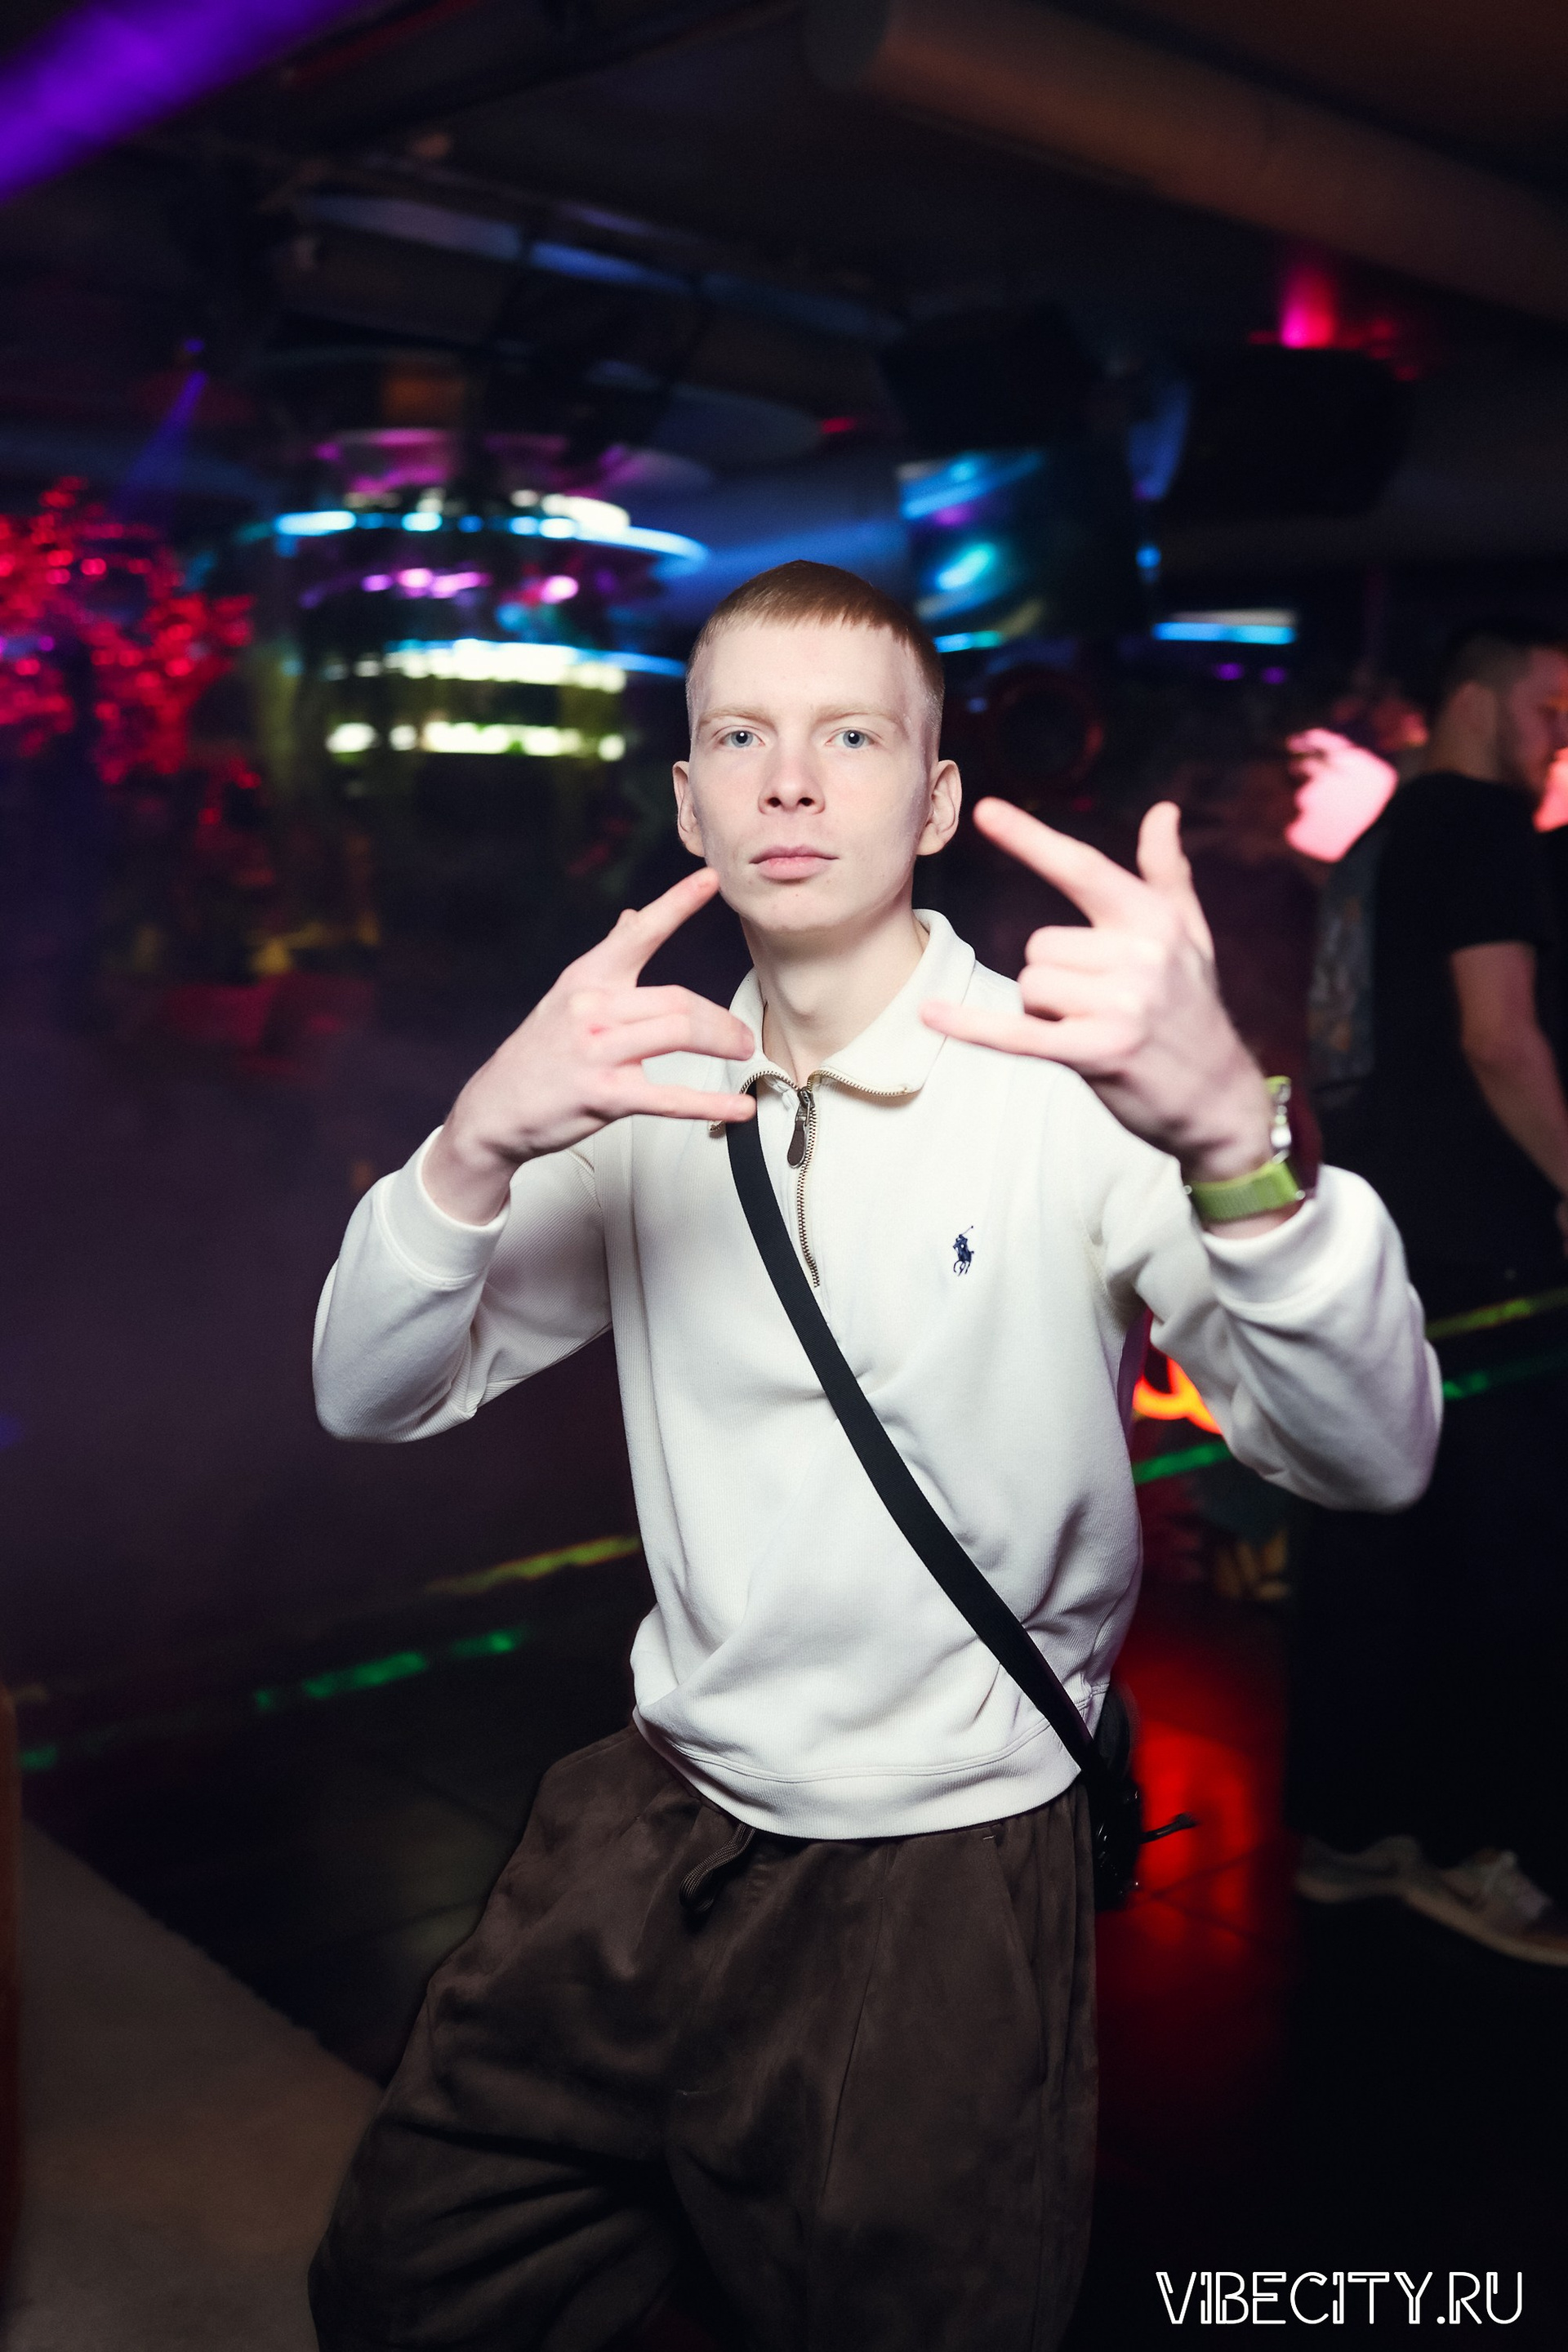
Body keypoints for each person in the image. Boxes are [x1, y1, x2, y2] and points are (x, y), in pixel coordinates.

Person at [308, 562, 1437, 2352]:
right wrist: (468, 1150)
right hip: (657, 1807)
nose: (789, 780)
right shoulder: (650, 1086)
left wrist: (1235, 1134)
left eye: (850, 738)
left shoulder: (1066, 1086)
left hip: (947, 1845)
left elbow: (1369, 1456)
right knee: (414, 2280)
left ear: (933, 800)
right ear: (688, 801)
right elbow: (369, 1395)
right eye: (739, 738)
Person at [1291, 617, 1568, 1962]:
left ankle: (1353, 1831)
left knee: (1376, 1543)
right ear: (1475, 700)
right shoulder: (1481, 828)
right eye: (1548, 709)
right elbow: (1498, 1037)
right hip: (1480, 1249)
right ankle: (1473, 1850)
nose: (1559, 740)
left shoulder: (1378, 840)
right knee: (1499, 1563)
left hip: (1375, 1245)